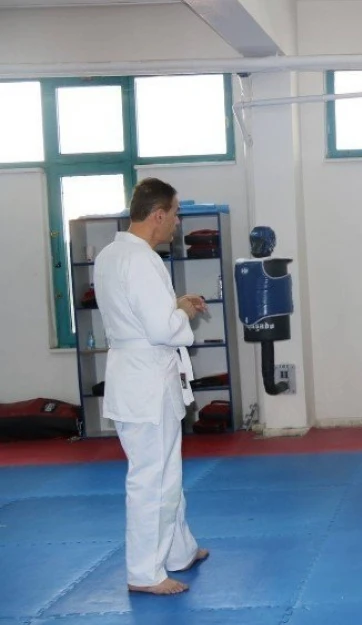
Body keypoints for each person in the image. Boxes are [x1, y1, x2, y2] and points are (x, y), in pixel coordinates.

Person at [94, 178, 208, 595]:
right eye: (175, 215)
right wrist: (181, 316)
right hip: (146, 379)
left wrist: (175, 306)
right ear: (158, 215)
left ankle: (179, 551)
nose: (177, 224)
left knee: (166, 471)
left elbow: (144, 317)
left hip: (135, 373)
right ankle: (145, 573)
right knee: (151, 478)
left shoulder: (111, 254)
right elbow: (162, 329)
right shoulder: (141, 260)